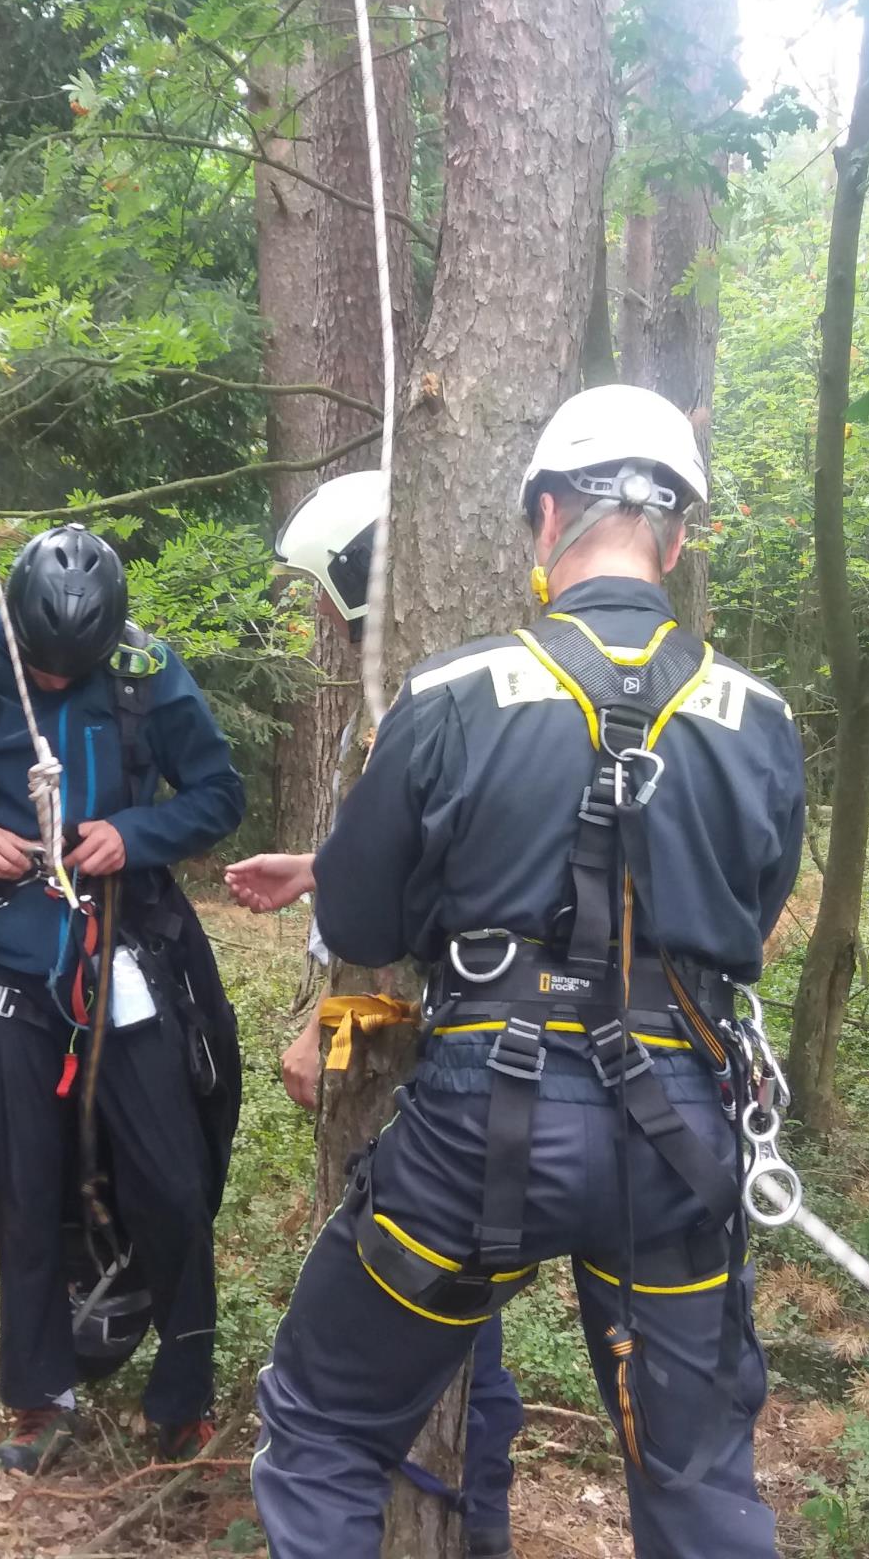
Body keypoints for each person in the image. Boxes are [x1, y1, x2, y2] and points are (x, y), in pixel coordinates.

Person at [242, 386, 806, 1559]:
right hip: (677, 1142)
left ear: (547, 517)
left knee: (326, 1424)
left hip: (477, 1131)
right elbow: (747, 921)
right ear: (679, 534)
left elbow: (357, 909)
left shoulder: (451, 693)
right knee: (699, 1488)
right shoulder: (757, 717)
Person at [227, 474, 526, 1559]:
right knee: (461, 1321)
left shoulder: (421, 706)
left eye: (321, 595)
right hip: (515, 1094)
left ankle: (463, 1525)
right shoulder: (479, 698)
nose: (313, 620)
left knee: (386, 1366)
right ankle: (475, 1525)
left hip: (442, 1098)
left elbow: (410, 951)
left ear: (358, 581)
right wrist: (318, 869)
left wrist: (325, 1027)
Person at [0, 523, 245, 1474]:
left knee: (176, 1185)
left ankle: (179, 1399)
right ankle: (38, 1395)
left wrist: (136, 832)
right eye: (43, 670)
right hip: (7, 967)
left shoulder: (145, 674)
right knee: (23, 1187)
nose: (56, 683)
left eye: (74, 671)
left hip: (126, 957)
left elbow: (218, 793)